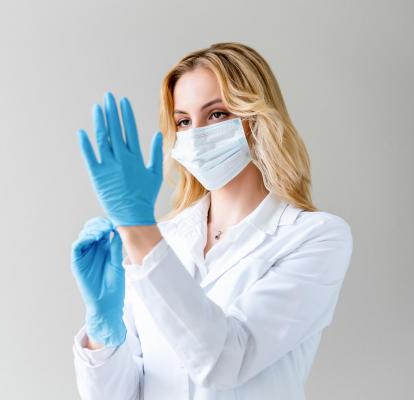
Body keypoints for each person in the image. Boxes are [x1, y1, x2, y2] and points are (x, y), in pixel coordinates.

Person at [69, 42, 353, 400]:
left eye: (216, 114)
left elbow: (225, 362)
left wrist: (139, 233)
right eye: (184, 122)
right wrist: (102, 332)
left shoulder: (315, 238)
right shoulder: (161, 240)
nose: (196, 135)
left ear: (256, 119)